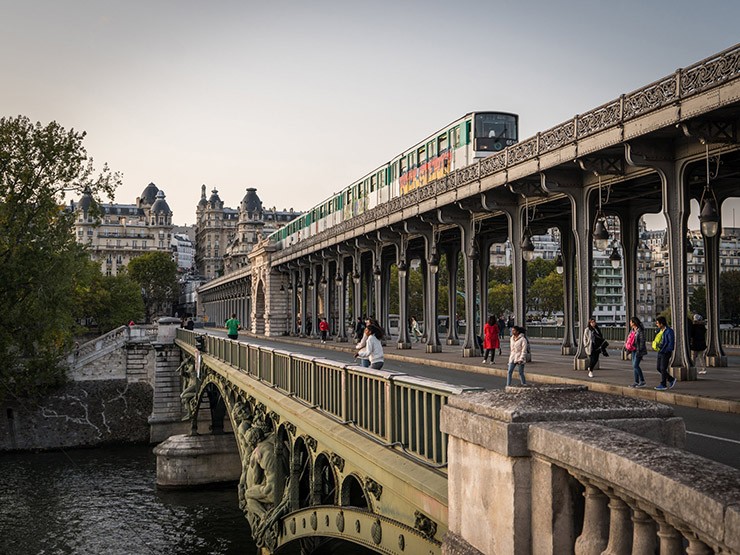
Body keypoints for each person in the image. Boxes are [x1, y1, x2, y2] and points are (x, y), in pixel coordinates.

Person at [654, 316, 677, 391]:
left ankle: (663, 384)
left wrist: (667, 350)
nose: (656, 324)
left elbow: (671, 343)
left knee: (663, 368)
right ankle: (671, 379)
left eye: (657, 323)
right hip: (660, 351)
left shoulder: (669, 331)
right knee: (658, 368)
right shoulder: (660, 330)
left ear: (661, 323)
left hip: (665, 352)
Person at [625, 317, 647, 387]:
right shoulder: (632, 330)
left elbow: (642, 341)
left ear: (634, 323)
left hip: (639, 350)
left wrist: (640, 350)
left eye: (631, 322)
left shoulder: (640, 330)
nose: (630, 323)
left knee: (635, 365)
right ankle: (636, 381)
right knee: (634, 366)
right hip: (633, 349)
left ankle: (642, 381)